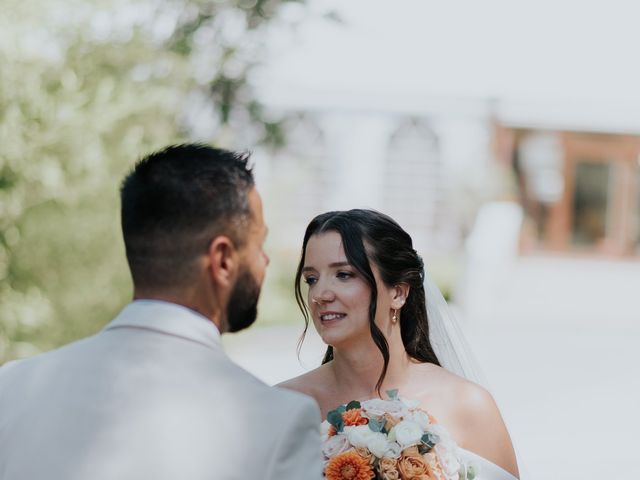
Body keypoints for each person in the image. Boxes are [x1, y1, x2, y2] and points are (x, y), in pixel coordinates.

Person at [0, 144, 323, 480]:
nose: (265, 261)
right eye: (259, 245)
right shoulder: (276, 422)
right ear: (223, 260)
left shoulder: (11, 386)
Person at [280, 209, 520, 479]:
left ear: (398, 292)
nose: (320, 294)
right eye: (311, 279)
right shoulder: (283, 406)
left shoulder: (467, 405)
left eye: (344, 275)